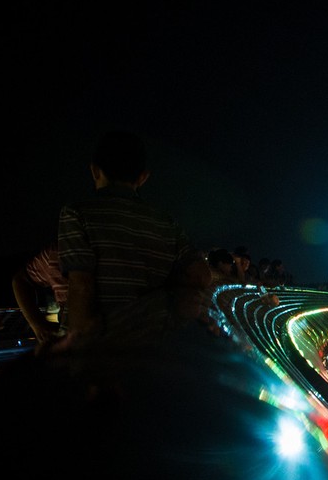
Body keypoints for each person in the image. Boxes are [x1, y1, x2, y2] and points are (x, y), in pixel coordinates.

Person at [56, 130, 211, 349]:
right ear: (143, 177)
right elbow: (200, 275)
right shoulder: (166, 222)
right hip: (150, 343)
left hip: (101, 345)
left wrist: (78, 350)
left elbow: (81, 286)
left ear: (94, 170)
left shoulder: (77, 213)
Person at [11, 245, 69, 349]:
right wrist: (39, 327)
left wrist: (39, 327)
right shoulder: (55, 253)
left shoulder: (57, 252)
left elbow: (21, 280)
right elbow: (21, 281)